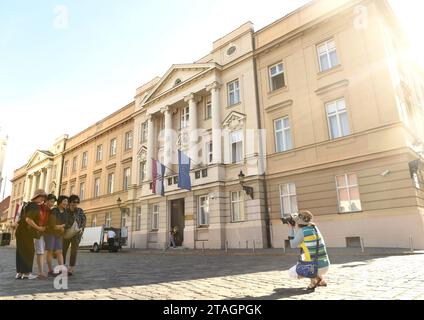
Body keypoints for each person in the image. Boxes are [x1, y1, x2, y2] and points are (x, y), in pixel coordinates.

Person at [287, 210, 330, 290]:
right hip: (326, 265)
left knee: (291, 273)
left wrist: (291, 229)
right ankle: (320, 279)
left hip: (315, 267)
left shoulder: (302, 231)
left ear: (299, 221)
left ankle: (313, 280)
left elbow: (292, 245)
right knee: (305, 256)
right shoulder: (315, 228)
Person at [15, 189, 47, 280]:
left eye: (44, 198)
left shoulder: (27, 205)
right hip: (27, 232)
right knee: (29, 252)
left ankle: (19, 273)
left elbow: (19, 219)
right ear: (38, 196)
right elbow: (28, 220)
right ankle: (27, 273)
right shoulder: (34, 206)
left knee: (21, 252)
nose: (43, 199)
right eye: (42, 197)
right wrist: (39, 228)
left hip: (20, 231)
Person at [63, 195, 86, 276]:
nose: (75, 204)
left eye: (77, 202)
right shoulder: (65, 211)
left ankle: (71, 269)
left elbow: (83, 220)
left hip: (76, 233)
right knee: (63, 250)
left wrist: (82, 229)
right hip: (66, 233)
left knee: (74, 251)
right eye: (73, 202)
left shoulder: (79, 211)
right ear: (69, 202)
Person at [45, 195, 68, 276]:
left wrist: (61, 227)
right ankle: (50, 270)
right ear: (60, 202)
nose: (66, 203)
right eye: (64, 201)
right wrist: (60, 226)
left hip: (59, 234)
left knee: (59, 251)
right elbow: (52, 224)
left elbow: (66, 223)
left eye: (66, 201)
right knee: (50, 251)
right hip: (50, 233)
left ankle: (62, 269)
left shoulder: (65, 211)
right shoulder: (54, 210)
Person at [33, 194, 55, 279]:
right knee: (40, 251)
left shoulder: (50, 210)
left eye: (53, 202)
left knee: (42, 251)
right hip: (38, 232)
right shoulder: (39, 208)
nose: (52, 203)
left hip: (45, 232)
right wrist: (40, 227)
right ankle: (40, 272)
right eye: (51, 201)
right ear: (46, 201)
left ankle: (41, 271)